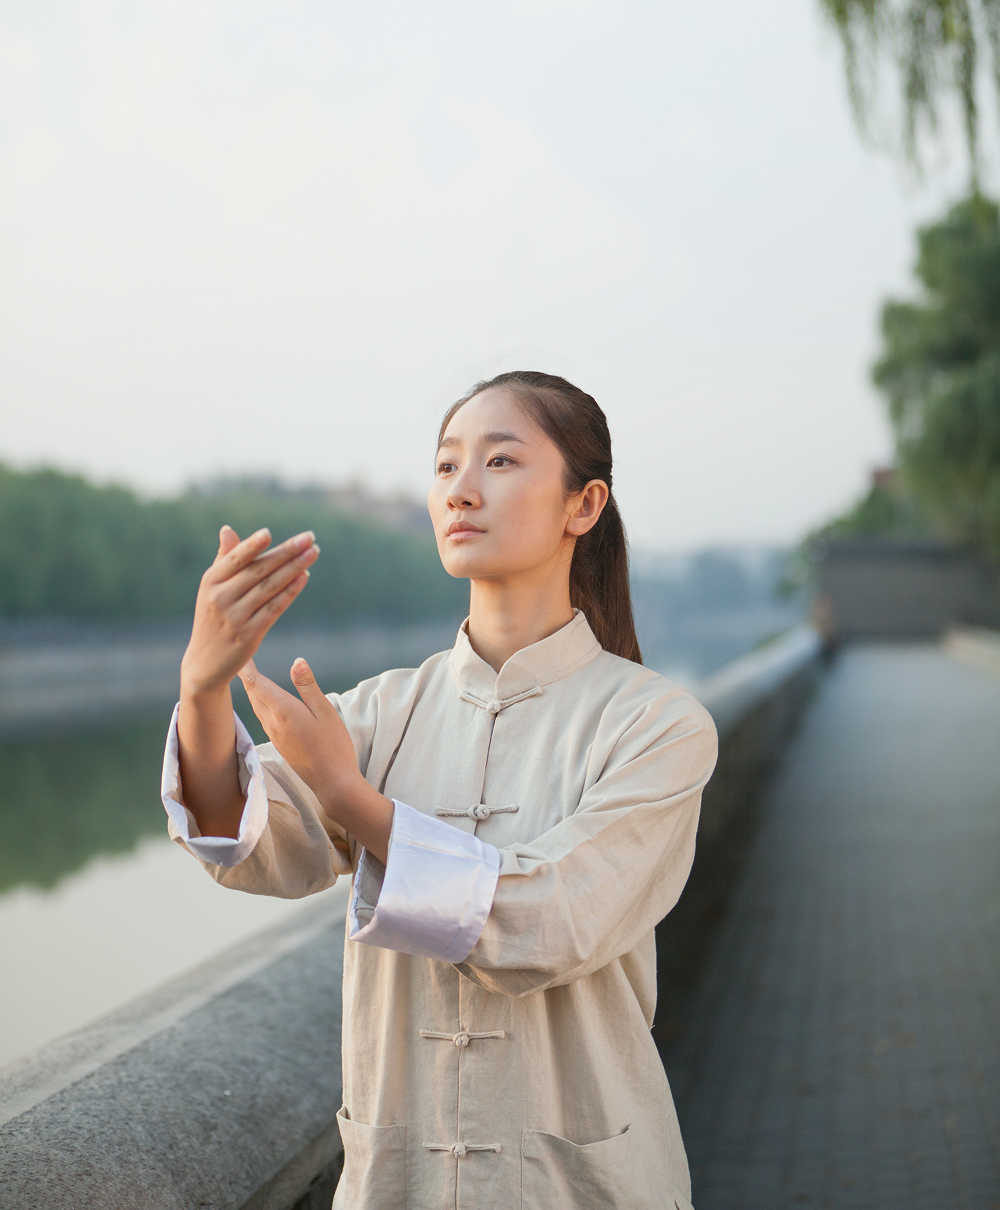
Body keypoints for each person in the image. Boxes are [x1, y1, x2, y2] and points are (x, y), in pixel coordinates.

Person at [161, 370, 718, 1210]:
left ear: (584, 505)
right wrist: (203, 690)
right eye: (446, 465)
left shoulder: (656, 726)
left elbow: (549, 921)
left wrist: (352, 800)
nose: (461, 489)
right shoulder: (380, 711)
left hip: (580, 1189)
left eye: (499, 462)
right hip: (401, 1182)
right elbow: (251, 846)